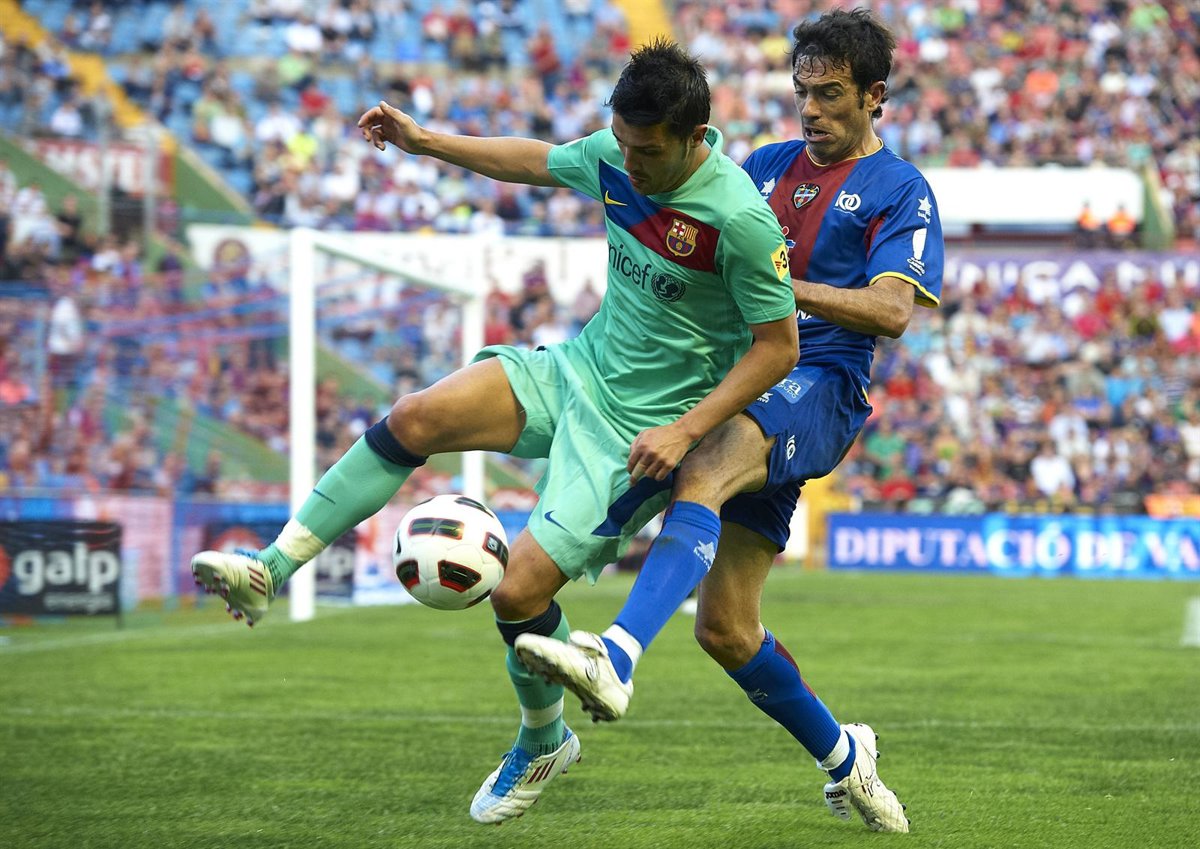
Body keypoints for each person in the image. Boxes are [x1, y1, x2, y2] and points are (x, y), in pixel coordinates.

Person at [189, 40, 799, 824]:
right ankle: (270, 569)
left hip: (639, 434)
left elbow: (778, 348)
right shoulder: (617, 156)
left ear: (695, 137)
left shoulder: (740, 220)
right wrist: (426, 141)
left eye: (647, 152)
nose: (629, 163)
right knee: (417, 415)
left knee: (515, 593)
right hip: (575, 371)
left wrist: (686, 431)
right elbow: (536, 160)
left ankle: (542, 739)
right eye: (621, 143)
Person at [515, 9, 944, 834]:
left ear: (874, 96)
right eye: (802, 91)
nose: (810, 108)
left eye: (830, 93)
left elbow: (892, 311)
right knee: (726, 628)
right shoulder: (766, 166)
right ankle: (846, 757)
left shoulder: (901, 188)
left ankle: (615, 654)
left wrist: (778, 285)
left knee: (702, 462)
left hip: (821, 382)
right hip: (743, 379)